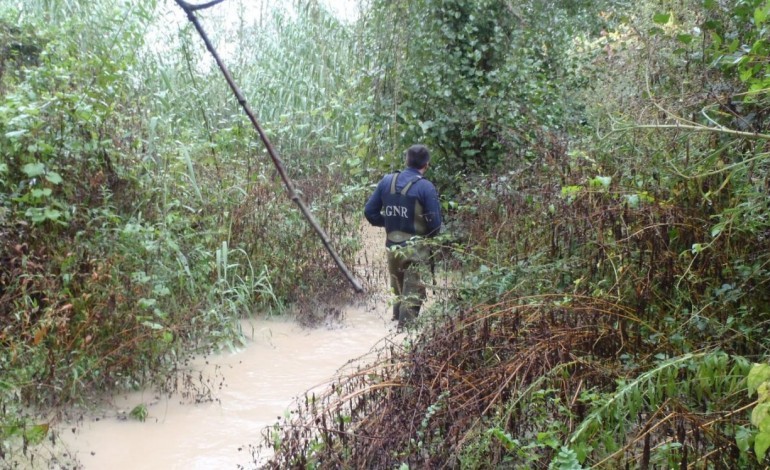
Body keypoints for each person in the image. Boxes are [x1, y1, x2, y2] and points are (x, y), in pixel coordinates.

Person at [364, 144, 442, 328]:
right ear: (427, 164)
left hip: (392, 248)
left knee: (399, 296)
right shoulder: (426, 187)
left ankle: (394, 334)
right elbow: (435, 226)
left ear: (406, 161)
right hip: (417, 251)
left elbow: (369, 212)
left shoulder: (386, 182)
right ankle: (405, 344)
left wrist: (389, 222)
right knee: (412, 302)